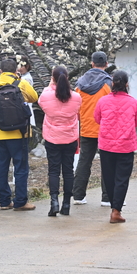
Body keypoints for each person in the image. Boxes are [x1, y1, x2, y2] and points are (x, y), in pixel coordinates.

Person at [0, 58, 39, 211]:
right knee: (20, 167)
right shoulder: (21, 84)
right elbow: (34, 98)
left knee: (1, 167)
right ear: (16, 70)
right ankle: (20, 201)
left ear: (0, 71)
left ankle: (4, 201)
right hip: (19, 133)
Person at [94, 70, 137, 224]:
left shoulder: (103, 101)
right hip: (126, 144)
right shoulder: (133, 102)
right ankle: (116, 210)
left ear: (112, 84)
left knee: (108, 177)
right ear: (127, 84)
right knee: (122, 178)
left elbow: (97, 118)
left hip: (106, 144)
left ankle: (113, 207)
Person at [38, 65, 81, 216]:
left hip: (52, 137)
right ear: (67, 78)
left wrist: (51, 84)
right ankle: (67, 204)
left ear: (53, 79)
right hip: (70, 137)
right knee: (68, 171)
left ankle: (54, 202)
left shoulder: (46, 95)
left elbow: (41, 102)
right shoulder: (76, 97)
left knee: (54, 170)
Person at [72, 51, 112, 206]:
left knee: (84, 161)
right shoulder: (108, 83)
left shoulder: (80, 83)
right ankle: (106, 198)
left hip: (86, 127)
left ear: (92, 63)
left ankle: (78, 195)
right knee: (107, 162)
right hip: (105, 127)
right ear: (106, 64)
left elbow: (76, 104)